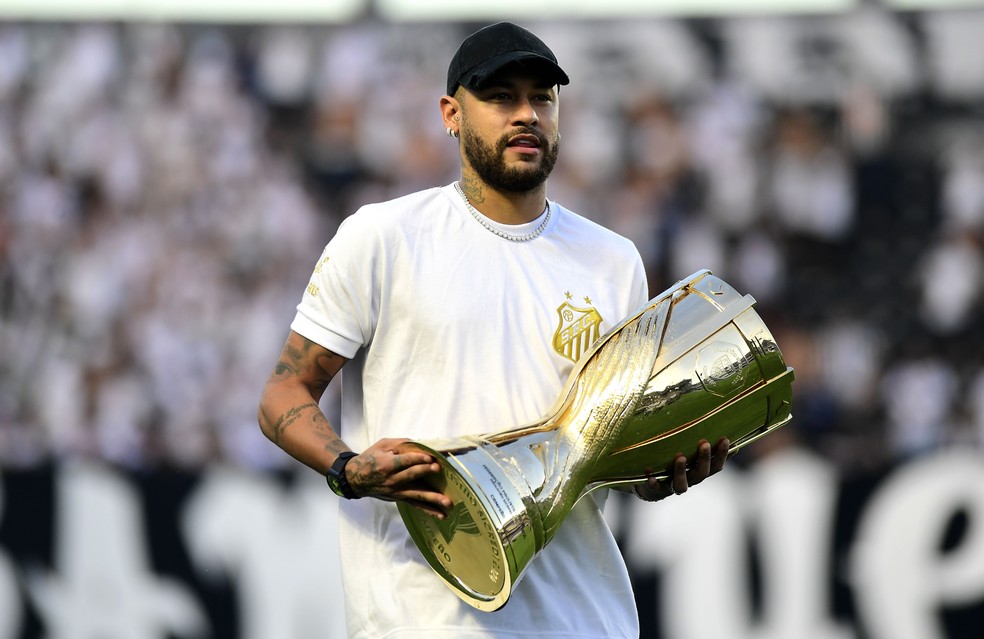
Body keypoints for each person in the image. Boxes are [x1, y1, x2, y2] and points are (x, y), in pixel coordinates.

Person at [258, 21, 729, 638]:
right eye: (502, 96)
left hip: (583, 619)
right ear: (452, 113)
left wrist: (660, 472)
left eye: (543, 98)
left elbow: (606, 454)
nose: (526, 114)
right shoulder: (384, 238)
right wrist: (348, 468)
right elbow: (281, 397)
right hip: (427, 621)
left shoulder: (613, 261)